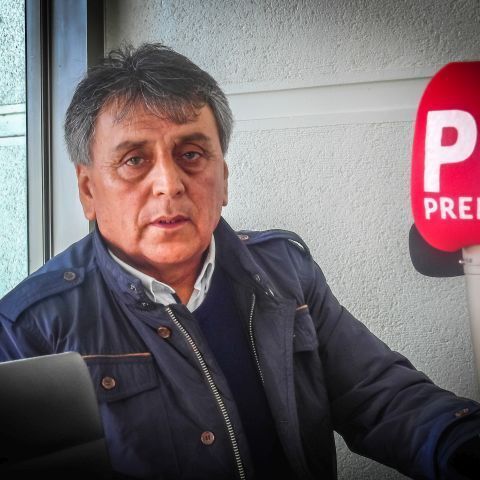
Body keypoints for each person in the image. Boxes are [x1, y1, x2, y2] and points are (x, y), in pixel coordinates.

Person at [0, 43, 479, 480]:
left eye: (191, 154)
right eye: (134, 160)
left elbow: (381, 395)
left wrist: (461, 442)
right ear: (88, 189)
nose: (169, 184)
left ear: (223, 179)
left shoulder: (284, 273)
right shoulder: (29, 330)